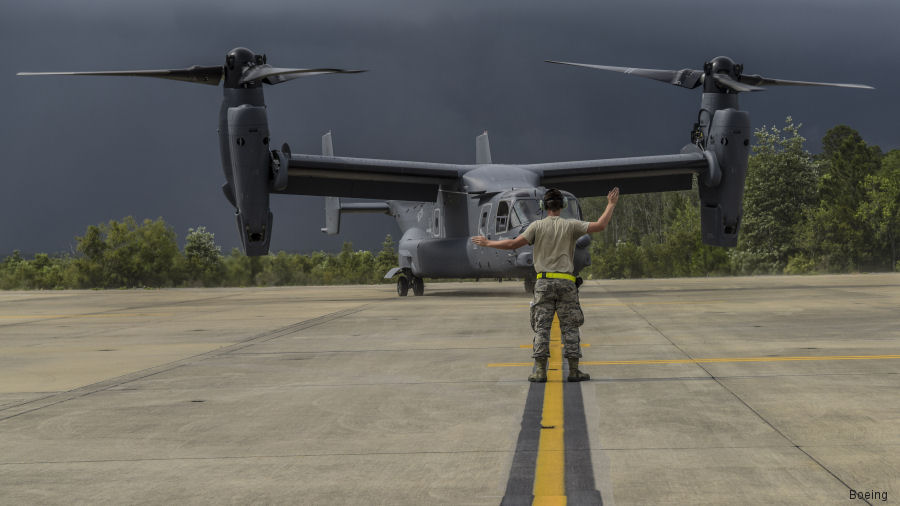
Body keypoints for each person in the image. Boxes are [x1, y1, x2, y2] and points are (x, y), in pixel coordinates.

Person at [471, 187, 619, 382]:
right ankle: (574, 371)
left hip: (543, 283)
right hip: (566, 283)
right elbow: (600, 225)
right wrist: (610, 204)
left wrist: (488, 243)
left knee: (542, 327)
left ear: (543, 206)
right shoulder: (571, 225)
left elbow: (513, 244)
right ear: (563, 205)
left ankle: (540, 371)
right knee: (571, 328)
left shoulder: (536, 226)